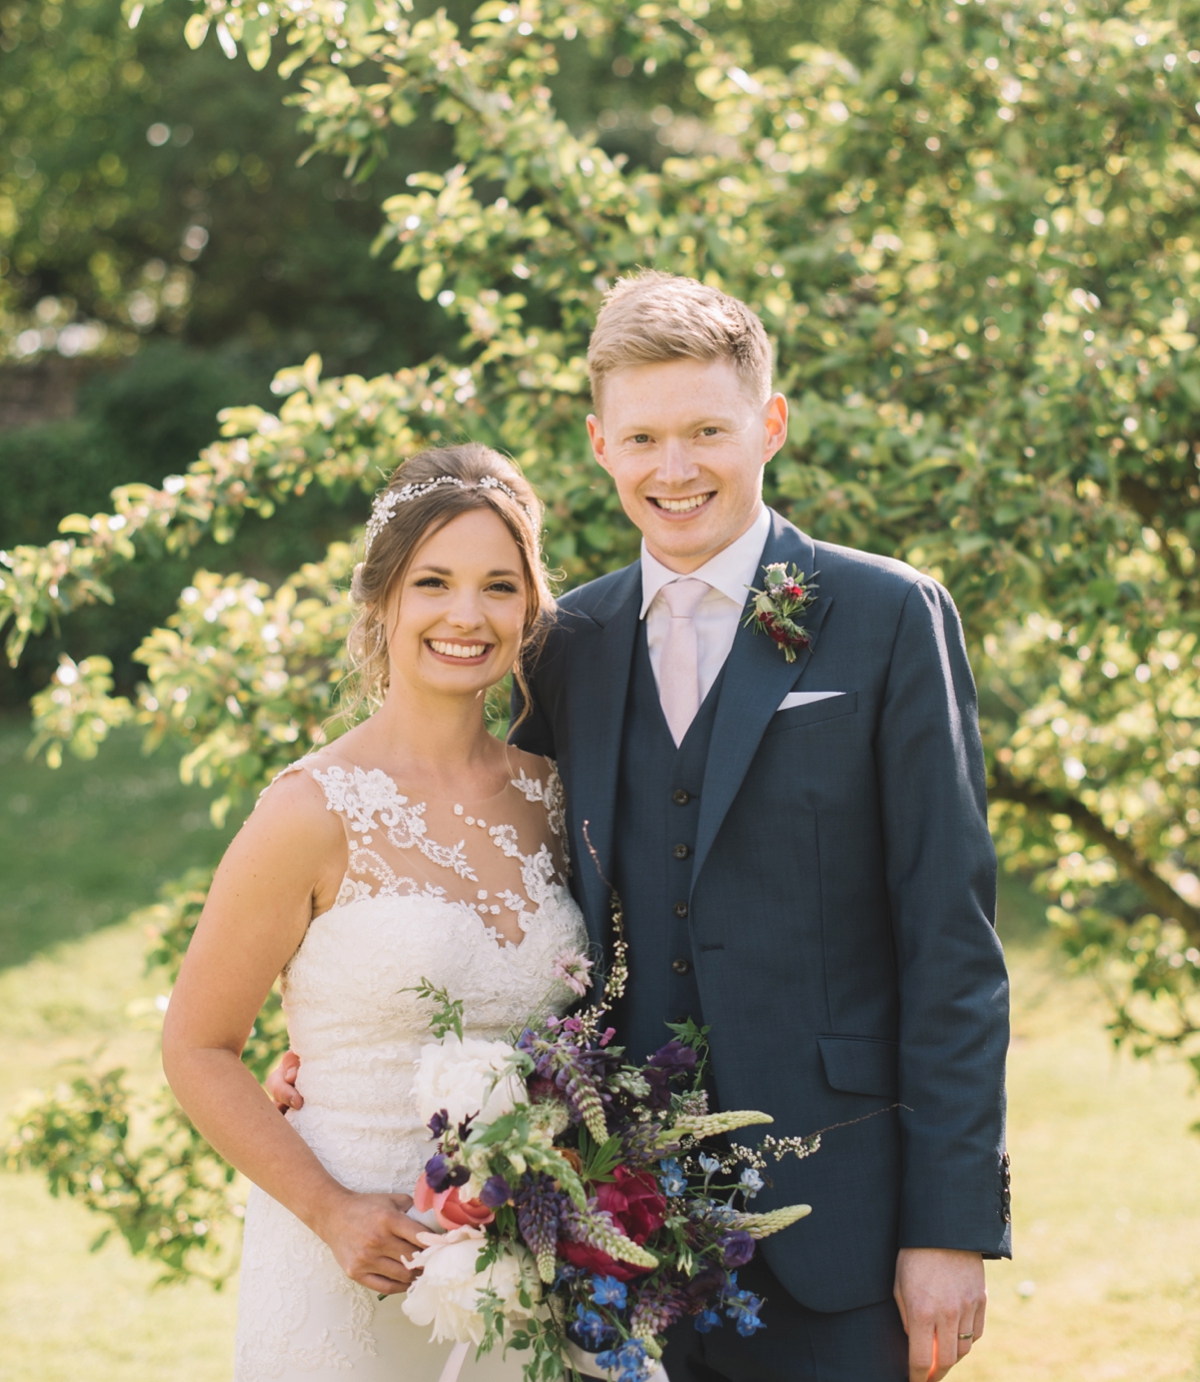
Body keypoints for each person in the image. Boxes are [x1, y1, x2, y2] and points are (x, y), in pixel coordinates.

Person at [506, 272, 1010, 1382]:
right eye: (642, 436)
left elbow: (951, 943)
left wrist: (951, 1224)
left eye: (706, 431)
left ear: (769, 425)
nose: (673, 468)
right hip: (618, 1227)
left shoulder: (887, 615)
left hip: (845, 1223)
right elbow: (511, 879)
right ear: (600, 445)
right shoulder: (564, 642)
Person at [163, 444, 588, 1382]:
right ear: (382, 599)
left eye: (499, 586)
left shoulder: (557, 800)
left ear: (531, 608)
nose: (466, 616)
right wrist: (328, 1209)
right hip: (345, 1264)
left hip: (525, 1271)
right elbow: (195, 1047)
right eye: (434, 581)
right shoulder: (308, 810)